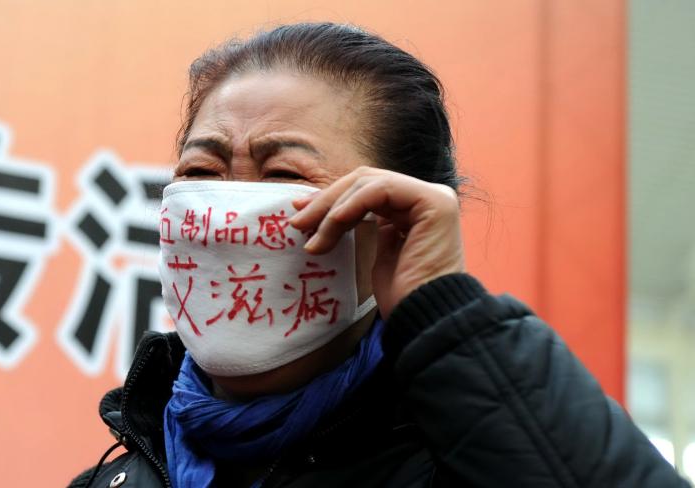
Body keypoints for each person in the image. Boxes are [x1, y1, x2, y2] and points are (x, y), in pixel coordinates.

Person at [69, 23, 687, 488]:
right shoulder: (116, 477)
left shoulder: (466, 456)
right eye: (203, 170)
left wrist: (447, 317)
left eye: (283, 174)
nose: (229, 218)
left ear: (393, 217)